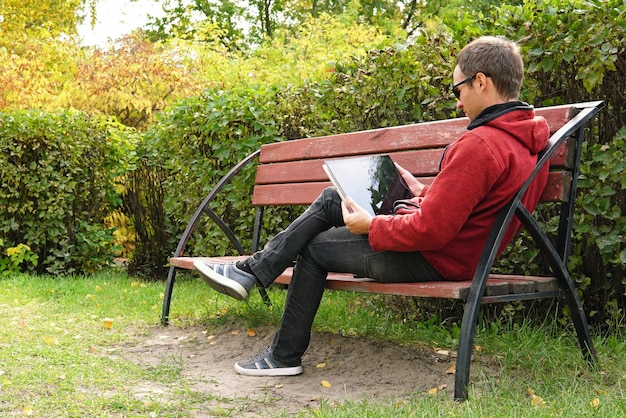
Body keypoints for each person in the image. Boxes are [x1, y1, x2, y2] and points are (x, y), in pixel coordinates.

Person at [193, 35, 550, 377]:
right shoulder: (527, 139)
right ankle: (252, 271)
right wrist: (420, 191)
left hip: (437, 256)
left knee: (314, 249)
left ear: (482, 82)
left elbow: (434, 229)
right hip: (463, 252)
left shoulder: (480, 145)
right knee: (335, 197)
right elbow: (473, 207)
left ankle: (281, 350)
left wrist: (371, 226)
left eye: (458, 90)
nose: (457, 102)